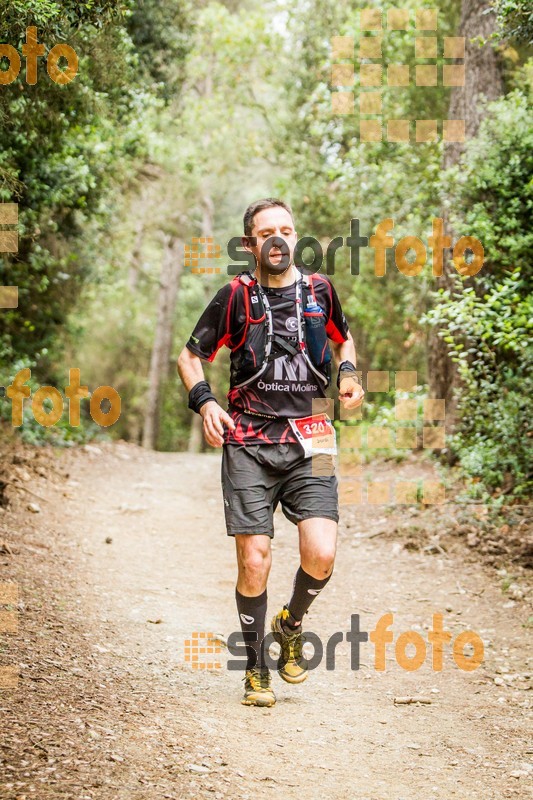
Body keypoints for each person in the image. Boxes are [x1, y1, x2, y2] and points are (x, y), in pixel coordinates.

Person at [177, 198, 364, 707]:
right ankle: (256, 664)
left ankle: (291, 624)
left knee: (322, 554)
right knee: (254, 557)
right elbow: (190, 357)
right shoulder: (235, 297)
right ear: (249, 245)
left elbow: (345, 342)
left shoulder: (321, 291)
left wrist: (348, 374)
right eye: (266, 233)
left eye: (286, 230)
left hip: (315, 438)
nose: (278, 239)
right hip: (249, 440)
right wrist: (205, 401)